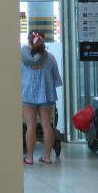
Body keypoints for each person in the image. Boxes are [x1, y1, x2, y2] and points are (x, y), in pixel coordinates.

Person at [21, 30, 62, 164]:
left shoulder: (23, 59)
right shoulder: (50, 58)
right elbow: (56, 79)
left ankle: (29, 157)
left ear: (29, 41)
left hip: (28, 95)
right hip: (46, 95)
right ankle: (47, 157)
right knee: (46, 125)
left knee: (31, 126)